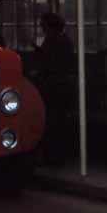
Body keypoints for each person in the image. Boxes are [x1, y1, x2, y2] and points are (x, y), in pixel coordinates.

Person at [36, 12, 75, 166]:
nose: (41, 28)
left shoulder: (52, 41)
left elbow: (49, 62)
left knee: (52, 123)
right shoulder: (64, 40)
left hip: (53, 87)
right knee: (59, 123)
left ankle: (52, 157)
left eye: (43, 25)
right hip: (61, 86)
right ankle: (57, 156)